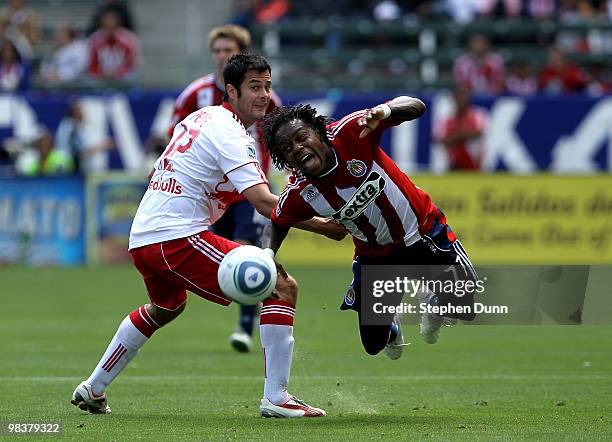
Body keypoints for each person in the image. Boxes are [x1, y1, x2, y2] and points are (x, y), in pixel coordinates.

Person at [71, 54, 344, 418]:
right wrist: (326, 227)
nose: (263, 95)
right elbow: (264, 203)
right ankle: (277, 398)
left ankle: (93, 387)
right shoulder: (231, 134)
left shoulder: (202, 119)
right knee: (282, 287)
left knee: (167, 307)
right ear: (230, 91)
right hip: (175, 237)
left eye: (267, 86)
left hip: (145, 237)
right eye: (254, 87)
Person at [263, 99, 478, 360]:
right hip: (376, 259)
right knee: (374, 345)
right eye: (288, 148)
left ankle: (433, 303)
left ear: (319, 132)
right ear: (285, 159)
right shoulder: (301, 192)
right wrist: (267, 257)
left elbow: (416, 105)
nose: (298, 148)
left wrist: (385, 111)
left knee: (465, 301)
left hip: (422, 233)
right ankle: (393, 326)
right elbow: (279, 220)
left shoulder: (353, 132)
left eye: (302, 136)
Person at [167, 24, 282, 353]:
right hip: (212, 193)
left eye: (228, 50)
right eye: (217, 50)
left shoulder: (265, 97)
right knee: (227, 253)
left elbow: (277, 137)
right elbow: (175, 134)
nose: (221, 56)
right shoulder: (195, 94)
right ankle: (249, 313)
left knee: (247, 249)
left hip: (248, 188)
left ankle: (246, 326)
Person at [434, 87, 488, 170]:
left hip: (474, 161)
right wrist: (462, 135)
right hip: (452, 162)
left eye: (463, 95)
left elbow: (479, 132)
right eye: (458, 96)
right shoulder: (447, 118)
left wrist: (456, 136)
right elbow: (440, 139)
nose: (460, 98)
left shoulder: (477, 114)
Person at [87, 9, 140, 82]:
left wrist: (117, 73)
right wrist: (100, 73)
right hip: (101, 78)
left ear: (117, 22)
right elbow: (91, 62)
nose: (109, 23)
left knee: (132, 77)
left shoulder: (129, 38)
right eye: (107, 20)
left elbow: (132, 63)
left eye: (112, 20)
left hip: (123, 79)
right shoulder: (94, 39)